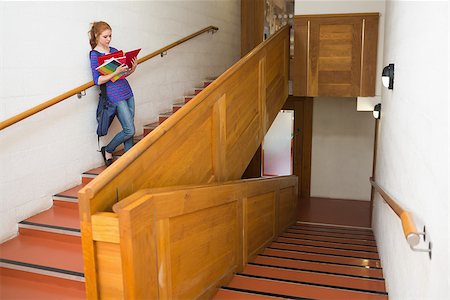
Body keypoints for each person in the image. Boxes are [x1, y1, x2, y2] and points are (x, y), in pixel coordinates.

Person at [88, 21, 138, 166]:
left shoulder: (114, 50)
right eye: (105, 36)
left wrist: (132, 69)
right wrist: (115, 72)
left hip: (127, 90)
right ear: (97, 36)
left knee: (129, 128)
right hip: (115, 95)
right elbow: (98, 80)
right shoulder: (94, 55)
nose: (109, 39)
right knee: (129, 130)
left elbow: (121, 75)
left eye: (110, 36)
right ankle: (108, 149)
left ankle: (130, 158)